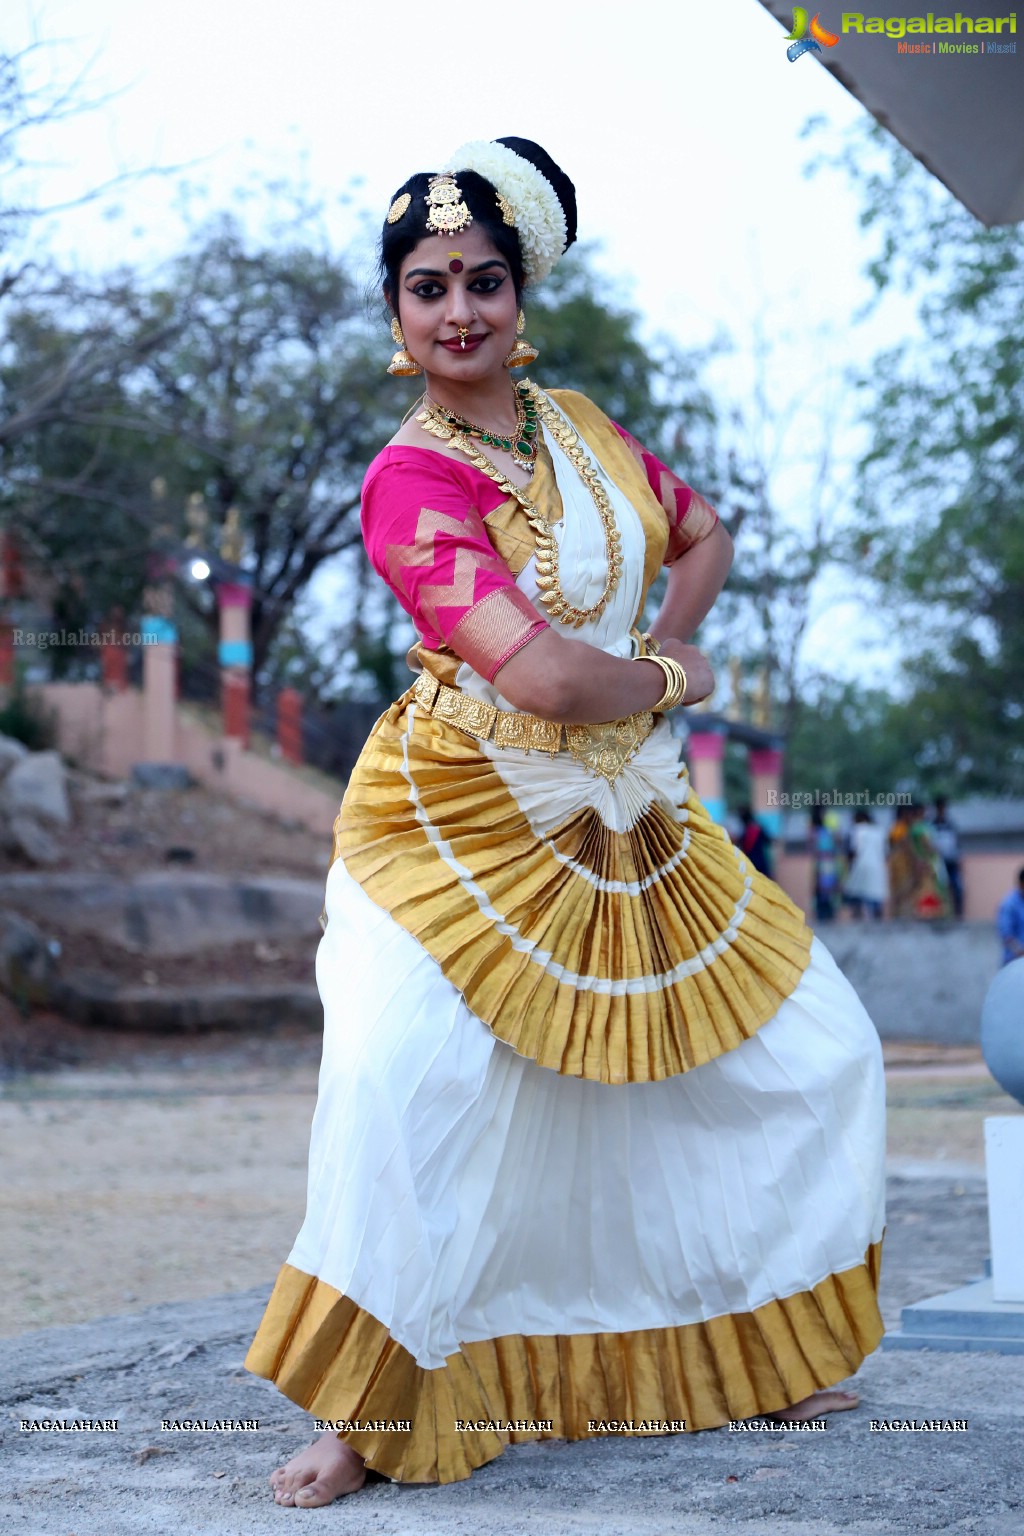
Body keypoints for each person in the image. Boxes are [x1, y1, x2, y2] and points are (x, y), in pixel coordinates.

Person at [244, 137, 886, 1507]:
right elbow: (533, 671)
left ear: (522, 294)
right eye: (428, 286)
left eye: (484, 279)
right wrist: (675, 679)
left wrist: (663, 640)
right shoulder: (409, 482)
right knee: (403, 1083)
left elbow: (703, 532)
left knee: (804, 1053)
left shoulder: (583, 428)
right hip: (462, 811)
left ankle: (754, 1344)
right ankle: (368, 1409)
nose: (460, 310)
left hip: (622, 806)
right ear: (396, 311)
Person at [888, 803, 950, 920]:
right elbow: (905, 845)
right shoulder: (906, 828)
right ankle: (904, 914)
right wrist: (920, 858)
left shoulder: (913, 827)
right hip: (906, 863)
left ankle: (921, 913)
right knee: (909, 888)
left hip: (914, 863)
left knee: (919, 888)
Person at [842, 809, 888, 920]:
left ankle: (858, 920)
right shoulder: (879, 831)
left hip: (860, 866)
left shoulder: (856, 829)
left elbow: (852, 851)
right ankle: (878, 923)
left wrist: (848, 868)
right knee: (875, 898)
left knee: (856, 897)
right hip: (877, 867)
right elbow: (885, 852)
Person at [929, 797, 964, 918]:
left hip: (951, 862)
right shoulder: (932, 825)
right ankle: (940, 915)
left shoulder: (951, 824)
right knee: (939, 888)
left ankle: (958, 915)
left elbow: (958, 845)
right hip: (938, 862)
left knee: (957, 888)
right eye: (940, 808)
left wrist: (959, 860)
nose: (942, 810)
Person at [809, 805, 840, 922]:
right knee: (823, 886)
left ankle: (826, 912)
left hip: (826, 860)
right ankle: (824, 912)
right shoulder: (817, 829)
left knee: (827, 886)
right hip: (824, 860)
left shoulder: (822, 828)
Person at [997, 867, 1024, 966]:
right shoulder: (1009, 904)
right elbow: (1006, 936)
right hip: (1013, 962)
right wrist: (1021, 952)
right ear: (1021, 884)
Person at [736, 804, 773, 876]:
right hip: (760, 862)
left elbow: (739, 846)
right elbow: (768, 841)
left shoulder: (744, 832)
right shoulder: (758, 828)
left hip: (750, 863)